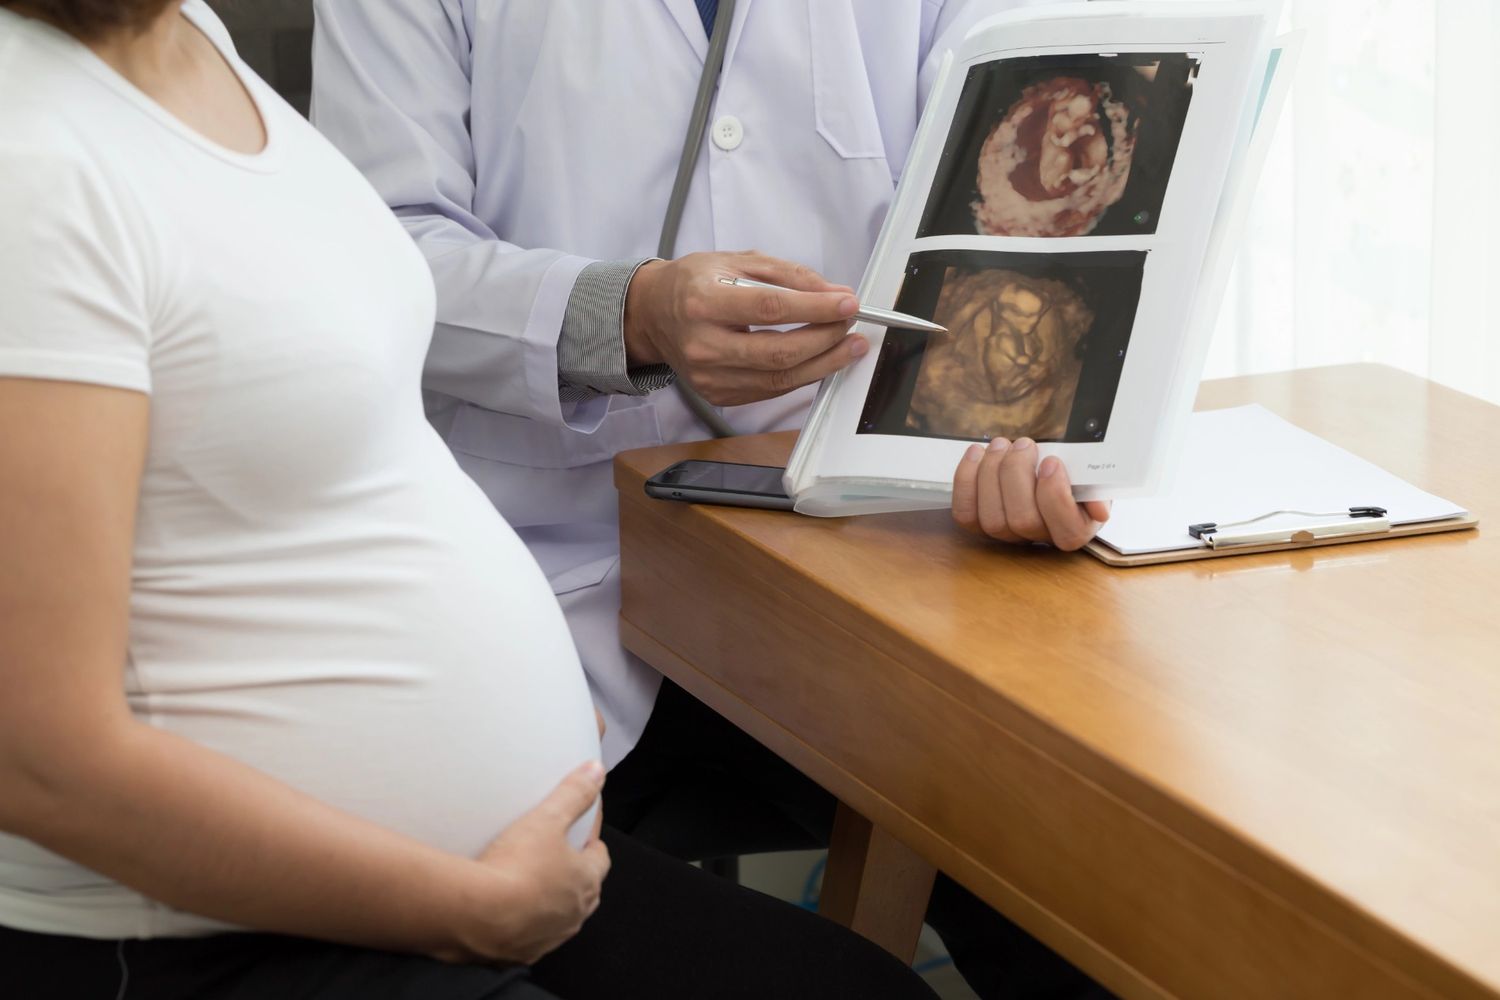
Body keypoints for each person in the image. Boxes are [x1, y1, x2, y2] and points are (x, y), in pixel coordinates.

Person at [0, 2, 945, 997]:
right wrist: (472, 906)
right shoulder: (34, 160)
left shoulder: (180, 38)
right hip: (266, 920)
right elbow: (38, 756)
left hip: (496, 823)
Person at [311, 2, 1113, 997]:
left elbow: (1036, 174)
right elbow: (370, 253)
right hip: (538, 574)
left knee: (1103, 913)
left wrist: (1030, 443)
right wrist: (624, 317)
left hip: (866, 563)